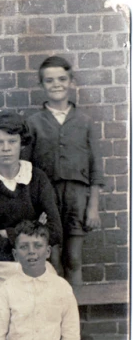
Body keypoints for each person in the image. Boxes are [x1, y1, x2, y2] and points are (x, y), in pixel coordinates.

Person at [23, 56, 104, 286]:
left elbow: (95, 168)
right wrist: (33, 206)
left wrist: (93, 207)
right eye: (49, 80)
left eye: (61, 79)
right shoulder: (34, 122)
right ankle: (55, 315)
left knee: (74, 258)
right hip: (47, 198)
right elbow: (26, 170)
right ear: (41, 85)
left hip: (77, 199)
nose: (56, 84)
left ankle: (74, 316)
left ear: (71, 81)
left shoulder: (85, 121)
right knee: (53, 258)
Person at [0, 111, 62, 303]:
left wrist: (6, 233)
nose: (6, 148)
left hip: (34, 263)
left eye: (12, 141)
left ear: (22, 143)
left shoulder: (37, 178)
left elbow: (55, 231)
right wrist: (33, 229)